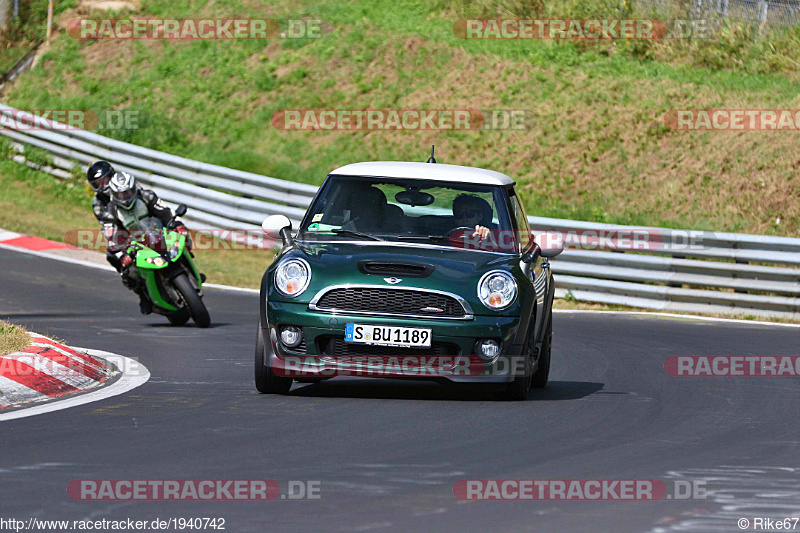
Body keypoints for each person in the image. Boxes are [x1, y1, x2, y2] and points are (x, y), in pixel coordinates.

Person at [102, 171, 190, 314]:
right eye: (121, 194)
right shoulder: (110, 213)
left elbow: (165, 211)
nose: (126, 197)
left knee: (183, 235)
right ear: (113, 194)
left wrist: (177, 224)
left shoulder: (147, 196)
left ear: (135, 188)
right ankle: (143, 296)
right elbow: (112, 239)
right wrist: (124, 255)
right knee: (129, 272)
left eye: (129, 192)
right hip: (137, 246)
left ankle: (187, 260)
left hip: (158, 234)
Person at [86, 161, 122, 271]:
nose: (103, 185)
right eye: (99, 183)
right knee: (112, 255)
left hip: (141, 222)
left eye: (105, 180)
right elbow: (107, 225)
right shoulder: (98, 203)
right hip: (122, 230)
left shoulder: (126, 186)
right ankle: (129, 276)